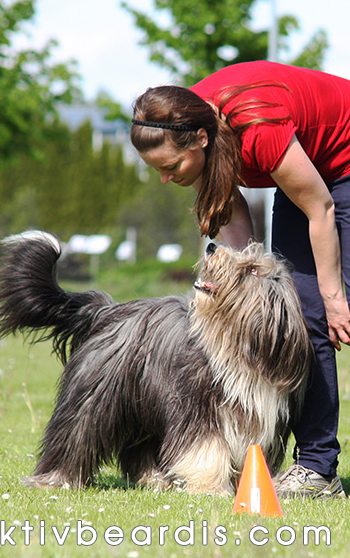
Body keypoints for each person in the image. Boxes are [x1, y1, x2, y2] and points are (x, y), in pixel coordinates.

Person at [130, 60, 350, 498]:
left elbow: (321, 208)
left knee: (322, 310)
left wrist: (334, 295)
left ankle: (317, 467)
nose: (165, 178)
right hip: (309, 171)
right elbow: (238, 234)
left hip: (342, 168)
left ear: (202, 139)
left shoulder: (257, 130)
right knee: (300, 313)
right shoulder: (184, 120)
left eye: (171, 166)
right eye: (157, 168)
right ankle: (317, 468)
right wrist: (238, 284)